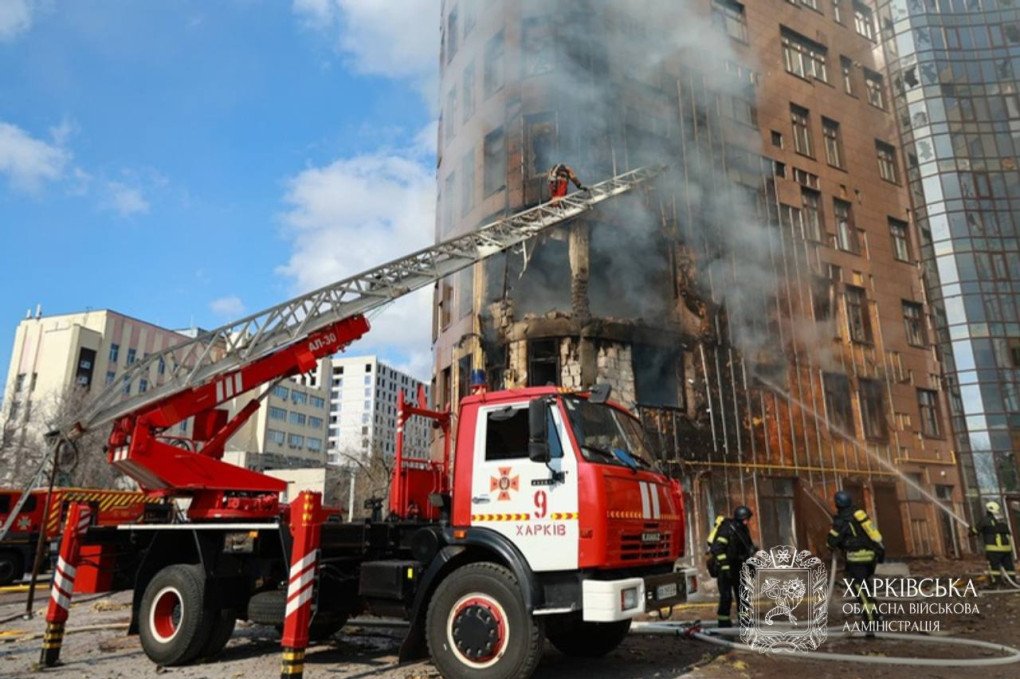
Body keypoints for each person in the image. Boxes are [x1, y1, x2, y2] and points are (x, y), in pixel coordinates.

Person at [827, 490, 884, 635]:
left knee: (862, 592)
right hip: (871, 558)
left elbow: (832, 541)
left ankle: (872, 622)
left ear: (837, 504)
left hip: (857, 560)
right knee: (866, 589)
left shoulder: (842, 519)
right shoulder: (859, 514)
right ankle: (876, 617)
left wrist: (830, 545)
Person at [708, 505, 757, 628]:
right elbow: (717, 548)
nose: (747, 522)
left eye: (747, 519)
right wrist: (725, 566)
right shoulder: (727, 529)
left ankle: (744, 620)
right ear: (740, 518)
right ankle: (723, 621)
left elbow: (747, 548)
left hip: (738, 567)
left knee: (743, 595)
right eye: (745, 519)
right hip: (725, 569)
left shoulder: (743, 530)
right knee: (726, 596)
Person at [970, 501, 1014, 588]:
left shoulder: (985, 520)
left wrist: (971, 531)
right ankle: (1012, 581)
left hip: (994, 549)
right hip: (1007, 549)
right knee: (1009, 566)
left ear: (988, 511)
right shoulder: (1002, 520)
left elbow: (974, 531)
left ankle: (997, 583)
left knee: (994, 567)